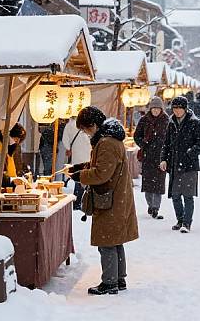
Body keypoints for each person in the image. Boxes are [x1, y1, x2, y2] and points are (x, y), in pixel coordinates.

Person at [67, 106, 138, 296]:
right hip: (116, 198)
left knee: (106, 242)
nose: (84, 133)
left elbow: (101, 174)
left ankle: (109, 283)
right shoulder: (108, 140)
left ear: (94, 125)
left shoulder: (106, 143)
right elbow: (102, 166)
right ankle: (119, 278)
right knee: (115, 241)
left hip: (110, 199)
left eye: (85, 129)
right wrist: (81, 167)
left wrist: (80, 175)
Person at [160, 96, 200, 233]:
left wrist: (190, 153)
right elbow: (166, 144)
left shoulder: (194, 122)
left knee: (188, 195)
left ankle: (187, 223)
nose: (177, 111)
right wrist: (163, 159)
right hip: (174, 163)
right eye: (174, 108)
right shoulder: (171, 123)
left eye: (179, 108)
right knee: (175, 195)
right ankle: (179, 220)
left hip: (189, 165)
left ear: (185, 109)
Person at [134, 97, 169, 219]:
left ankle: (156, 208)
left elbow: (170, 139)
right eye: (153, 108)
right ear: (150, 109)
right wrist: (143, 144)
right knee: (148, 184)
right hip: (148, 156)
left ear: (161, 109)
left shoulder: (166, 121)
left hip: (161, 157)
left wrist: (166, 151)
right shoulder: (144, 120)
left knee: (159, 185)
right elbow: (136, 135)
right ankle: (150, 204)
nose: (155, 111)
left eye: (157, 108)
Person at [0, 123, 27, 206]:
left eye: (18, 141)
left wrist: (22, 175)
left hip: (5, 193)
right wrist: (10, 180)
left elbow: (18, 167)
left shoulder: (12, 148)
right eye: (15, 139)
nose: (16, 142)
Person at [63, 116, 92, 210]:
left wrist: (68, 148)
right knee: (84, 177)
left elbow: (65, 139)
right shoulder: (87, 123)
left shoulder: (69, 125)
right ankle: (80, 200)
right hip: (87, 154)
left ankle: (78, 200)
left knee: (79, 177)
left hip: (77, 154)